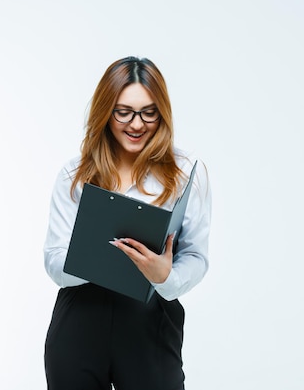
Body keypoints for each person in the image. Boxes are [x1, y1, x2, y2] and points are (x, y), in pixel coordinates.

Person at [43, 56, 212, 390]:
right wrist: (97, 259)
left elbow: (197, 255)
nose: (137, 124)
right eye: (124, 112)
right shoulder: (74, 175)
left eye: (149, 112)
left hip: (150, 322)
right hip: (80, 320)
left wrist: (167, 276)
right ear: (106, 111)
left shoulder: (185, 174)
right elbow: (53, 260)